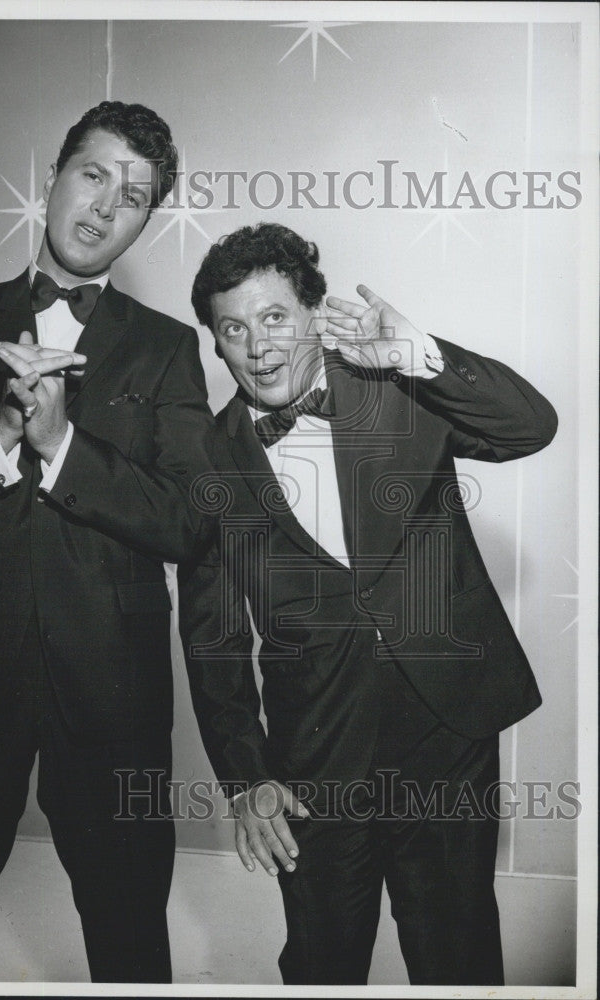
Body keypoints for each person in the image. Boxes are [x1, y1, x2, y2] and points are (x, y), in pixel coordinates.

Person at [0, 100, 214, 983]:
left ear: (147, 221)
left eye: (132, 197)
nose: (104, 206)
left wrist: (62, 446)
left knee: (130, 925)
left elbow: (187, 521)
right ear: (53, 177)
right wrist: (0, 434)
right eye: (93, 175)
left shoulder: (169, 348)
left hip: (115, 696)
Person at [178, 222, 557, 985]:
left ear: (315, 315)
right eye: (234, 329)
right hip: (312, 761)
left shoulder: (399, 386)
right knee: (323, 962)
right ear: (217, 346)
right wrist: (248, 780)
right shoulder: (208, 460)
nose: (257, 345)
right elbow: (213, 641)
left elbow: (531, 427)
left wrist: (422, 353)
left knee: (457, 954)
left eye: (275, 317)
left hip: (445, 735)